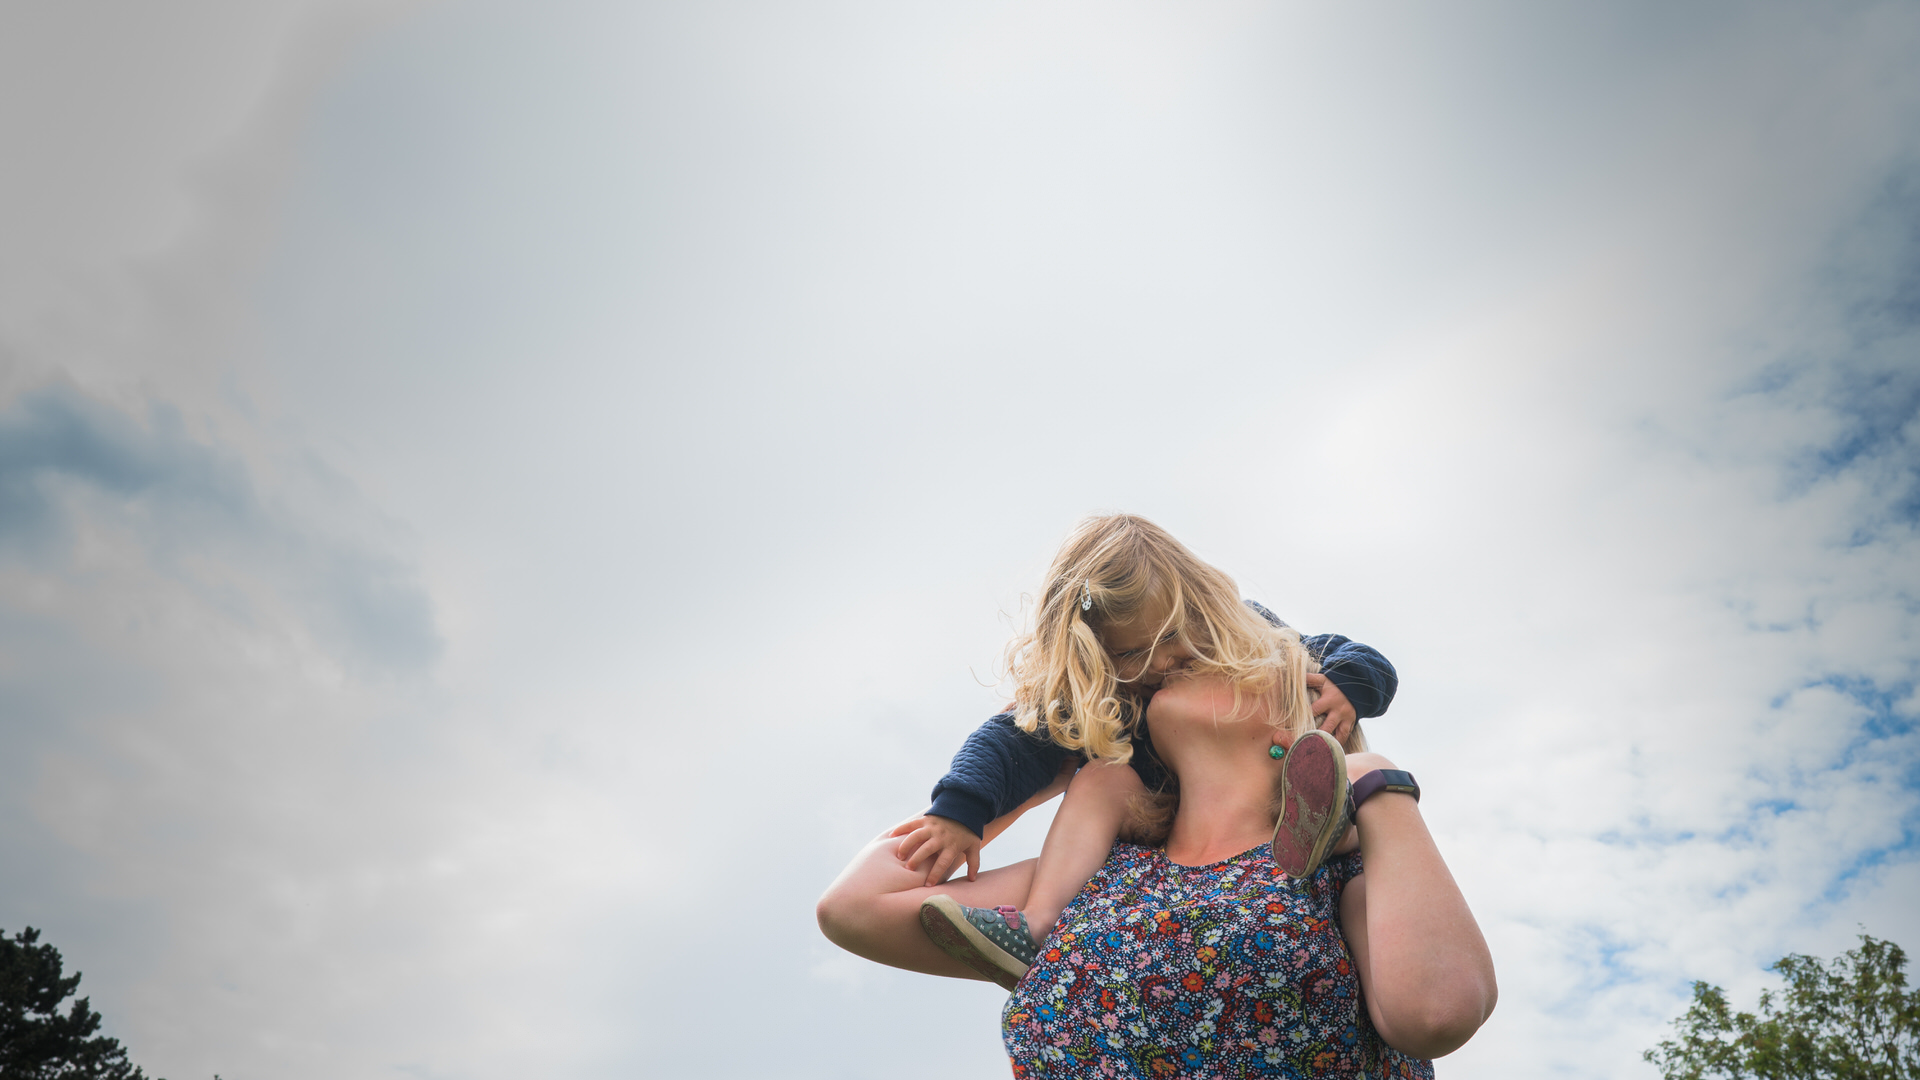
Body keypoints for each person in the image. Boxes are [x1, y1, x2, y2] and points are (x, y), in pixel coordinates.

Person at [816, 578, 1496, 1075]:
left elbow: (1436, 1014)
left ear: (1291, 690)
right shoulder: (1099, 879)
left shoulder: (1340, 871)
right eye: (1140, 675)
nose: (1161, 666)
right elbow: (856, 907)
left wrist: (1375, 784)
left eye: (1200, 656)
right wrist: (1017, 779)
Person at [887, 514, 1398, 988]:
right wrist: (959, 811)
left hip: (1277, 784)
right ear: (1093, 651)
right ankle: (1036, 928)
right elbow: (1005, 741)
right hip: (1167, 816)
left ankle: (1328, 829)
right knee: (1100, 780)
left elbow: (1346, 653)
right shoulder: (1093, 692)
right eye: (1133, 652)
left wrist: (1349, 685)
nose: (1163, 661)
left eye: (1172, 634)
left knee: (1335, 759)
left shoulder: (1239, 630)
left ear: (1199, 603)